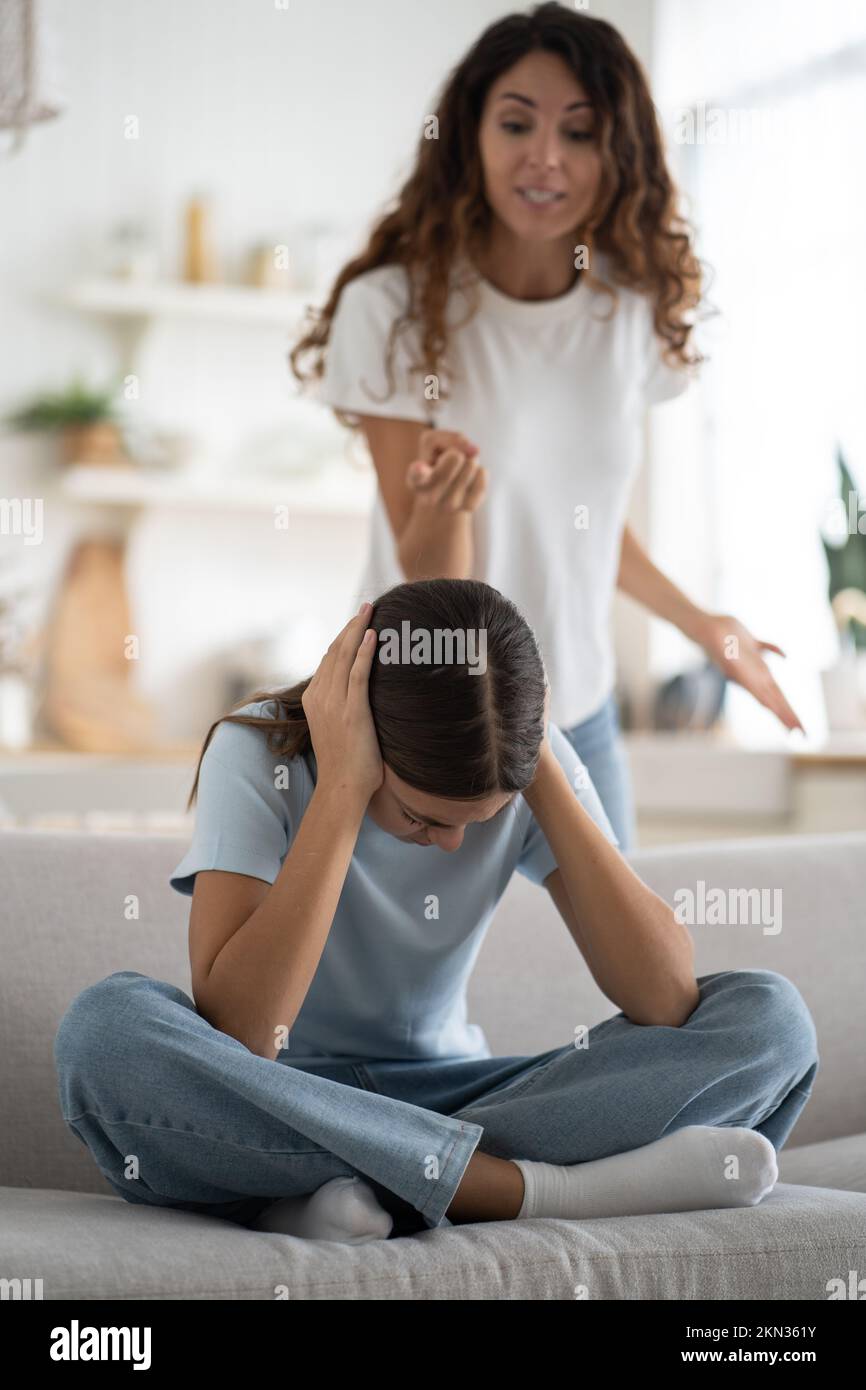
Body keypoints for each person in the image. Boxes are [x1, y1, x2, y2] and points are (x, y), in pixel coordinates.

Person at [53, 580, 818, 1242]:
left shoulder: (517, 766)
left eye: (478, 820)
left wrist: (537, 758)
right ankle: (541, 1193)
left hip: (469, 1100)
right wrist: (343, 792)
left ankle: (303, 1197)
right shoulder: (259, 755)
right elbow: (243, 1035)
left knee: (768, 1021)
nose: (452, 845)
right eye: (423, 818)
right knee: (107, 1035)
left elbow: (665, 995)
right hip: (279, 1092)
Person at [290, 1, 804, 851]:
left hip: (580, 713)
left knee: (634, 982)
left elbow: (588, 527)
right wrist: (449, 506)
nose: (544, 156)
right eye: (516, 123)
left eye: (580, 131)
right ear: (470, 136)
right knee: (407, 988)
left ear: (619, 152)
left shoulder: (631, 315)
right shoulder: (390, 308)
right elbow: (424, 576)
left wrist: (703, 625)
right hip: (420, 719)